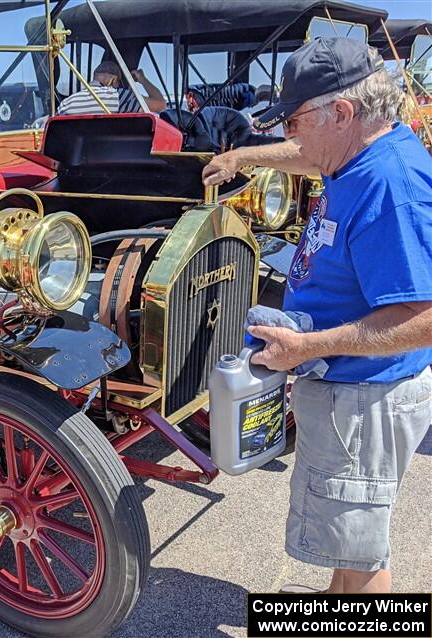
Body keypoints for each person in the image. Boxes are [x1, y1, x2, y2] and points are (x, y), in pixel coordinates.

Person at [203, 37, 432, 594]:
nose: (289, 133)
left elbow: (424, 315)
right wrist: (241, 156)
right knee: (353, 536)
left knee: (363, 552)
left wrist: (309, 347)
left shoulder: (390, 187)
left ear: (344, 112)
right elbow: (307, 156)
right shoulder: (362, 150)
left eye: (296, 119)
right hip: (353, 390)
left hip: (361, 397)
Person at [57, 61, 166, 115]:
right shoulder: (118, 97)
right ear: (113, 80)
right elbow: (160, 104)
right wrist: (142, 79)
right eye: (118, 83)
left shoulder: (66, 103)